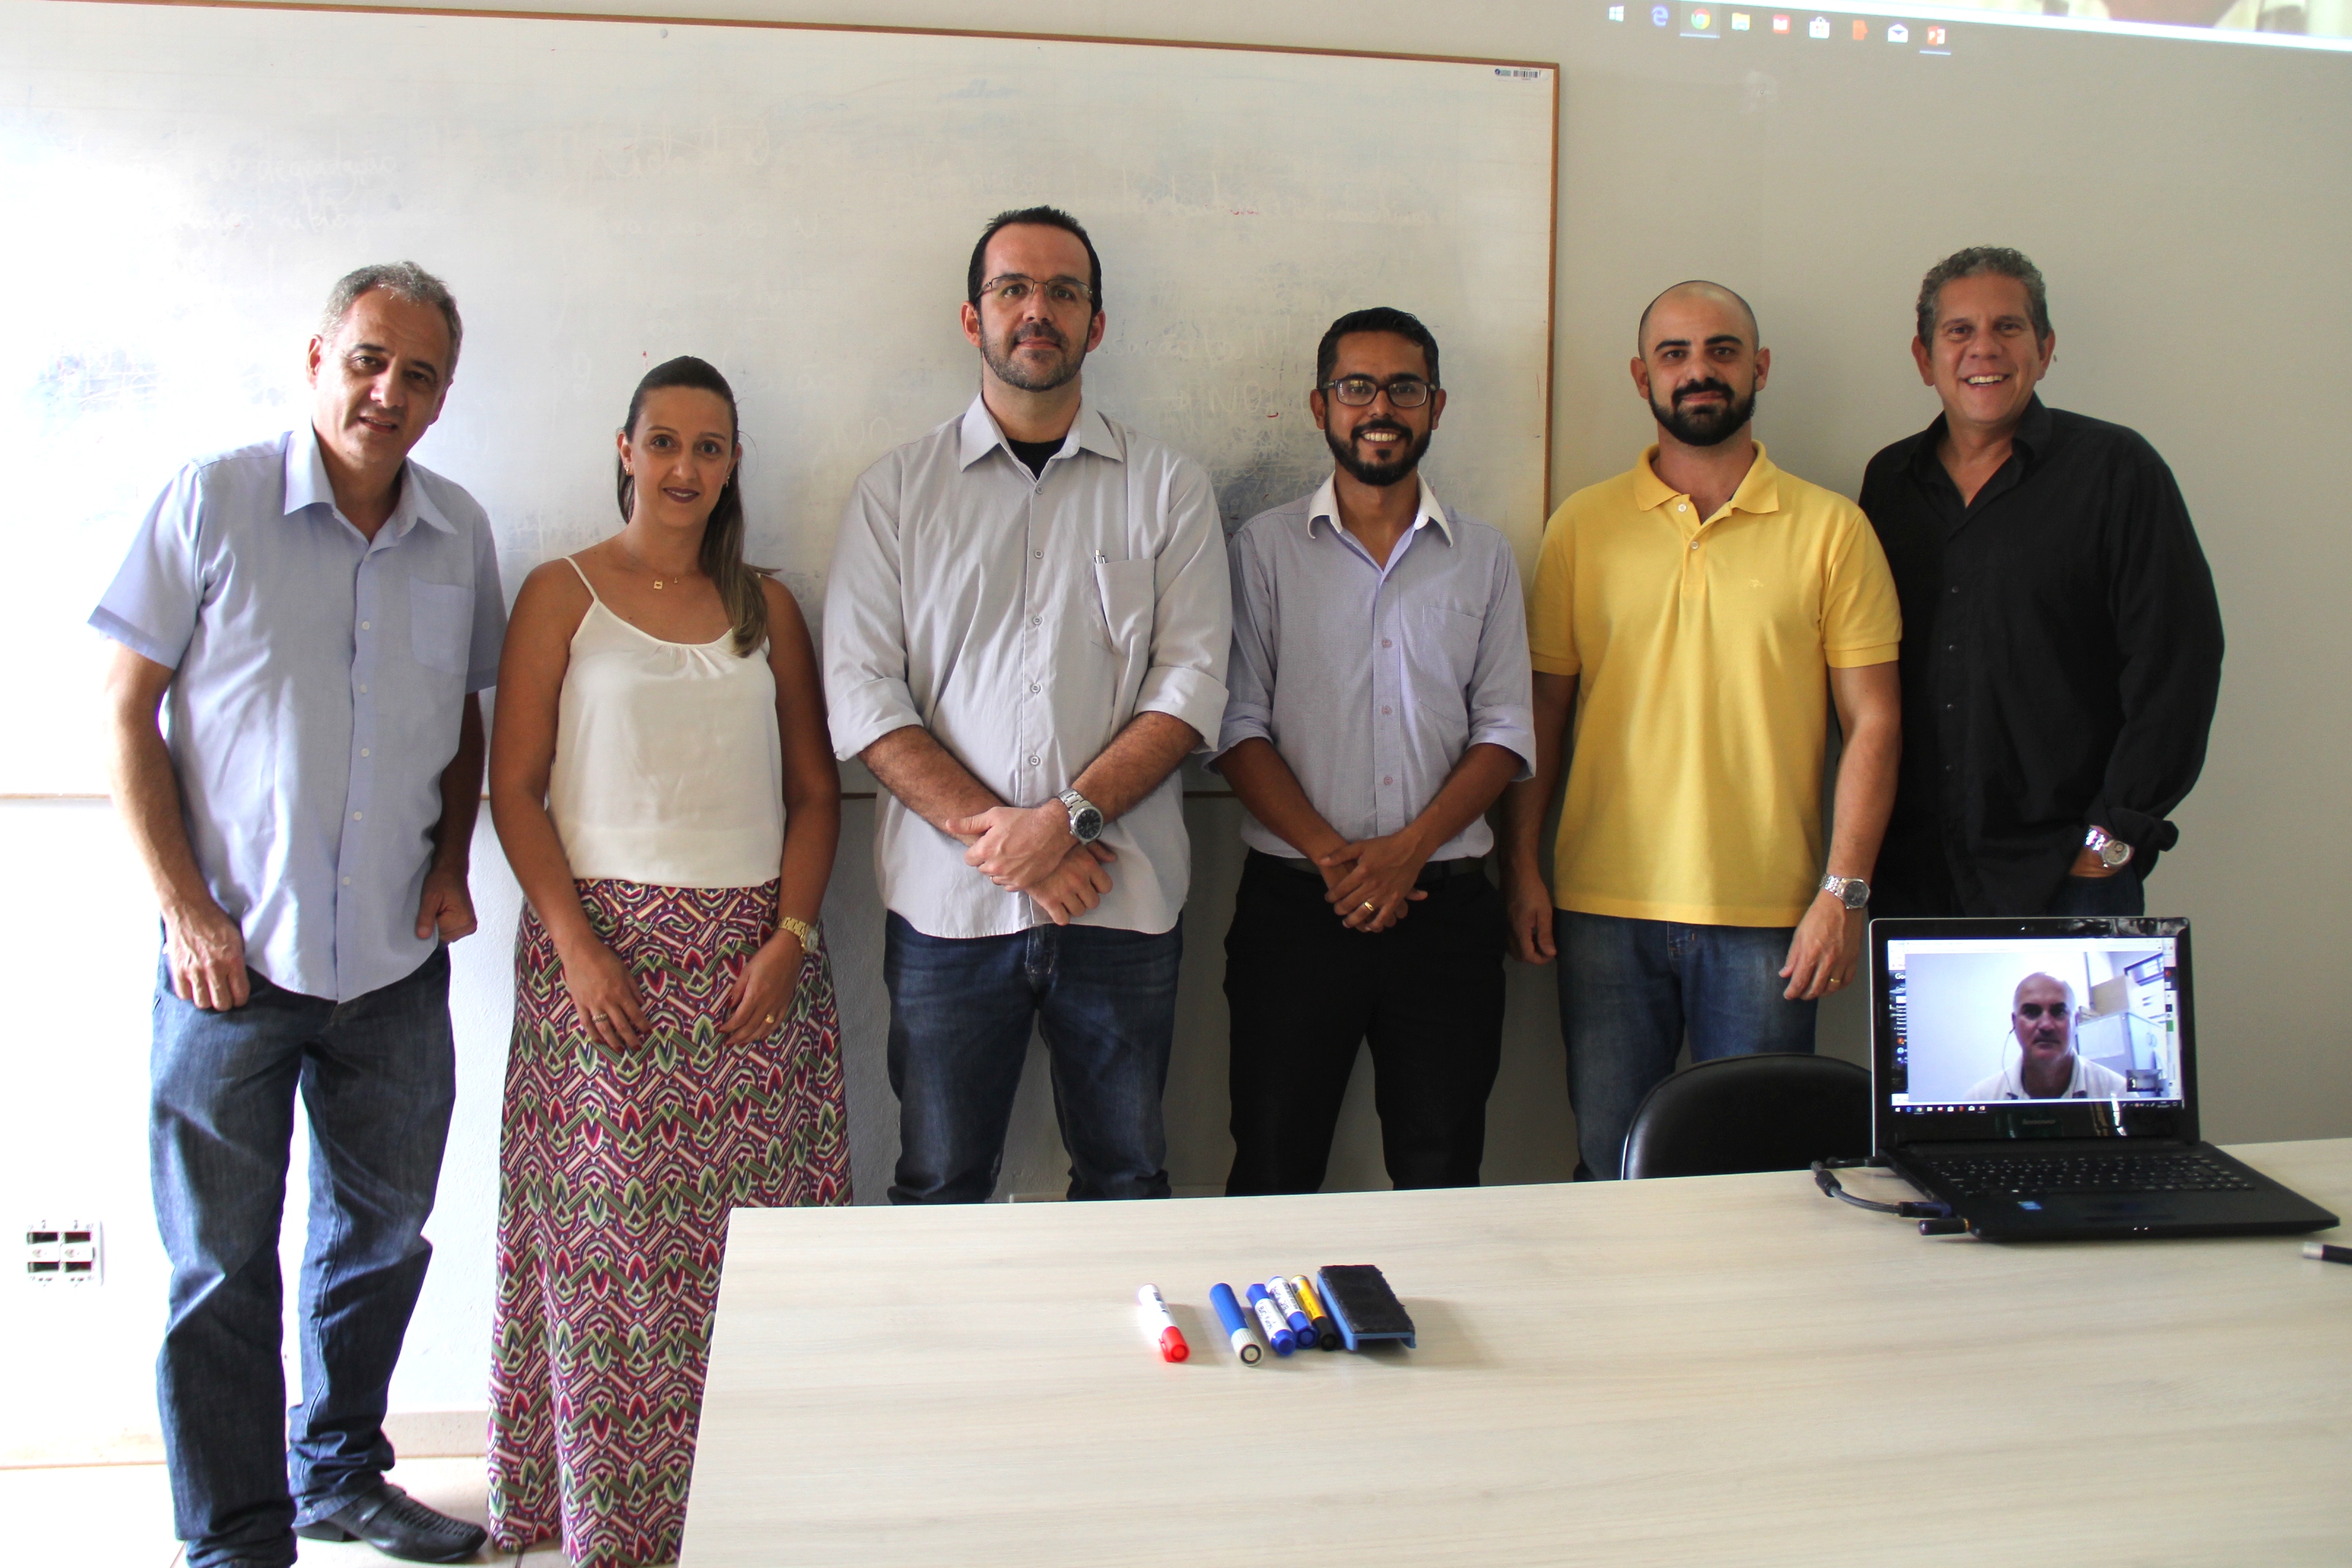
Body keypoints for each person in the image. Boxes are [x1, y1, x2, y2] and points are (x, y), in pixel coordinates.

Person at [92, 262, 499, 1568]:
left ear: (441, 398)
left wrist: (450, 861)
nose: (389, 392)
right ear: (319, 357)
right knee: (220, 1268)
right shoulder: (212, 500)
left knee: (379, 1241)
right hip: (229, 967)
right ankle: (234, 1536)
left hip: (392, 967)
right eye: (369, 359)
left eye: (419, 374)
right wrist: (184, 909)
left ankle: (340, 1474)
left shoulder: (458, 532)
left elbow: (462, 719)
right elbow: (126, 711)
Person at [484, 356, 850, 1566]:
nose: (685, 466)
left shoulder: (768, 607)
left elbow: (814, 794)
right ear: (626, 450)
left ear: (733, 464)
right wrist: (576, 948)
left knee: (757, 1253)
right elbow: (515, 790)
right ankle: (616, 1523)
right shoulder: (562, 593)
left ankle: (762, 1510)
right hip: (606, 972)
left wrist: (791, 940)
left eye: (709, 446)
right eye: (665, 442)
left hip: (753, 972)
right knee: (612, 1256)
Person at [824, 205, 1230, 1204]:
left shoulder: (1168, 488)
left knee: (1127, 1180)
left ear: (1098, 322)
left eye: (1063, 291)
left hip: (1121, 898)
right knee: (939, 1185)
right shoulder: (896, 493)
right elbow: (863, 691)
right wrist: (1014, 840)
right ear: (974, 317)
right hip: (949, 908)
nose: (1036, 310)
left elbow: (1189, 686)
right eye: (1012, 289)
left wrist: (1064, 822)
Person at [1499, 281, 1904, 1181]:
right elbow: (1542, 713)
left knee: (1759, 1182)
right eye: (1675, 353)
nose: (1699, 370)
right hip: (1603, 911)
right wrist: (1522, 866)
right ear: (1641, 374)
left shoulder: (1834, 529)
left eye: (1722, 350)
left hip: (1769, 917)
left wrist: (1844, 895)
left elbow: (1874, 720)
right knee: (1610, 1169)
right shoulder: (1582, 526)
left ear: (1760, 367)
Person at [1212, 307, 1534, 1195]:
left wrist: (1406, 853)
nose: (1380, 408)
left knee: (1441, 1171)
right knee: (1274, 1165)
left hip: (1446, 911)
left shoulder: (1485, 557)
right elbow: (1237, 727)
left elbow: (1504, 730)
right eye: (1357, 387)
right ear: (1321, 406)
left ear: (1437, 406)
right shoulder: (1263, 549)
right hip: (1295, 910)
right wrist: (1339, 861)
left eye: (1404, 388)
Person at [1860, 247, 2223, 919]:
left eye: (2008, 327)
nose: (1983, 348)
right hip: (1916, 871)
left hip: (2068, 870)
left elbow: (2178, 663)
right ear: (1923, 358)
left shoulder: (2116, 470)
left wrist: (2115, 832)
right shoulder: (1889, 483)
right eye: (1959, 330)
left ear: (2045, 348)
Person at [1965, 974, 2131, 1101]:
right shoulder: (1981, 1099)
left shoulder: (2120, 1094)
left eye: (2059, 1012)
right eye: (2031, 1012)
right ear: (2015, 1023)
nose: (2046, 1025)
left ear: (2076, 1022)